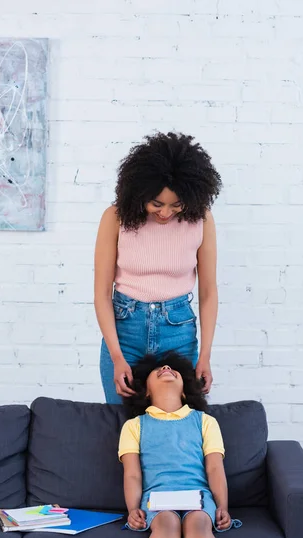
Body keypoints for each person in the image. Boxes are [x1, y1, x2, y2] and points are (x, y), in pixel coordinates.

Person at [94, 131, 222, 404]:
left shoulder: (202, 220)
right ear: (139, 192)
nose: (165, 213)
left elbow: (209, 292)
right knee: (122, 423)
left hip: (178, 332)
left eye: (176, 205)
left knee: (183, 418)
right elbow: (102, 293)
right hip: (125, 331)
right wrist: (117, 357)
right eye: (156, 204)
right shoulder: (115, 218)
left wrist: (205, 356)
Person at [118, 352, 242, 538]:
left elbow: (215, 468)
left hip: (198, 496)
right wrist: (133, 509)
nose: (166, 367)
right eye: (158, 370)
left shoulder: (205, 422)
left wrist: (222, 506)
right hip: (157, 498)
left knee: (199, 523)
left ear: (185, 390)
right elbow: (132, 474)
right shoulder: (134, 426)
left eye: (173, 369)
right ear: (145, 392)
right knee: (165, 524)